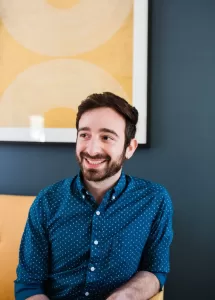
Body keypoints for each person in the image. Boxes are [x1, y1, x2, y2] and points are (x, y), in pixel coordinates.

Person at [15, 92, 173, 300]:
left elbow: (155, 270)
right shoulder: (47, 201)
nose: (92, 148)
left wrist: (124, 296)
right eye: (84, 135)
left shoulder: (154, 199)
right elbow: (28, 285)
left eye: (106, 137)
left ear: (129, 147)